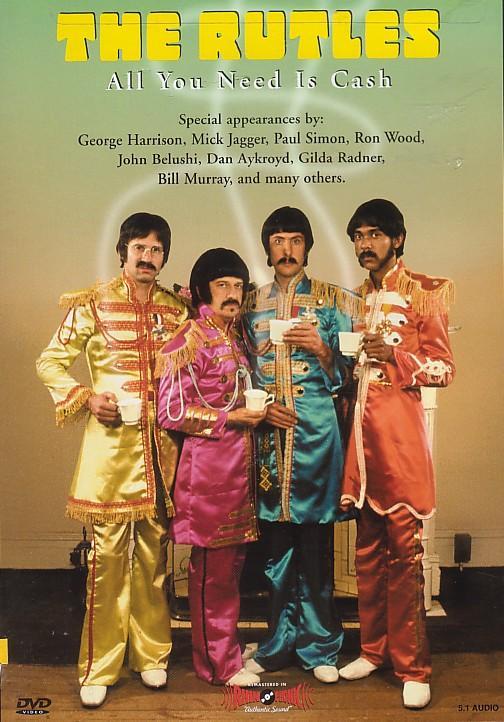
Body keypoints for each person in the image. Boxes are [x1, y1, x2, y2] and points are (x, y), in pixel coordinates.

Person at [36, 212, 188, 708]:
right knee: (106, 564)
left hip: (161, 454)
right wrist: (86, 398)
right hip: (109, 458)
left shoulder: (177, 310)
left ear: (164, 257)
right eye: (139, 248)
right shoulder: (92, 304)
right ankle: (99, 666)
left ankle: (151, 655)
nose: (148, 257)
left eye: (156, 250)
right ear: (123, 252)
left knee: (154, 559)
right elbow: (49, 361)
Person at [338, 199, 455, 709]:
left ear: (398, 239)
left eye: (375, 234)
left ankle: (412, 668)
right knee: (367, 554)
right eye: (359, 236)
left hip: (401, 446)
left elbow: (444, 369)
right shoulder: (358, 298)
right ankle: (373, 650)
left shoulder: (427, 292)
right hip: (362, 450)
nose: (366, 244)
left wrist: (397, 356)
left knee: (404, 559)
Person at [242, 206, 361, 683]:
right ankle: (277, 645)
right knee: (275, 550)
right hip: (268, 440)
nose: (287, 250)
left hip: (317, 437)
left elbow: (351, 378)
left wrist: (321, 349)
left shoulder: (336, 301)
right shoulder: (248, 304)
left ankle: (321, 646)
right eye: (278, 241)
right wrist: (259, 410)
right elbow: (235, 370)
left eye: (295, 240)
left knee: (315, 545)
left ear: (307, 246)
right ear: (267, 248)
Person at [157, 248, 265, 687]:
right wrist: (229, 418)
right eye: (223, 285)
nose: (232, 294)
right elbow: (170, 411)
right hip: (207, 476)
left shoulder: (234, 337)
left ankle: (227, 650)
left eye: (238, 286)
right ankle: (218, 665)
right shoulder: (189, 339)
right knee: (212, 576)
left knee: (230, 571)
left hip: (238, 473)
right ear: (204, 290)